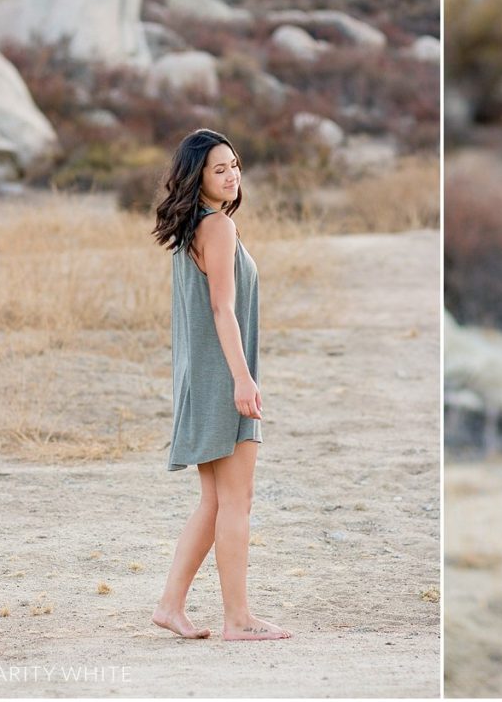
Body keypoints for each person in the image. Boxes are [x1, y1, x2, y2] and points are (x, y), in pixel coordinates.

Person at [150, 128, 291, 641]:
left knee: (214, 502)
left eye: (234, 164)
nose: (233, 174)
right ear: (199, 178)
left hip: (203, 375)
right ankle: (239, 619)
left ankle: (170, 605)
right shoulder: (218, 229)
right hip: (221, 376)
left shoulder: (195, 227)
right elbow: (221, 309)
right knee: (238, 501)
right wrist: (242, 378)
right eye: (219, 168)